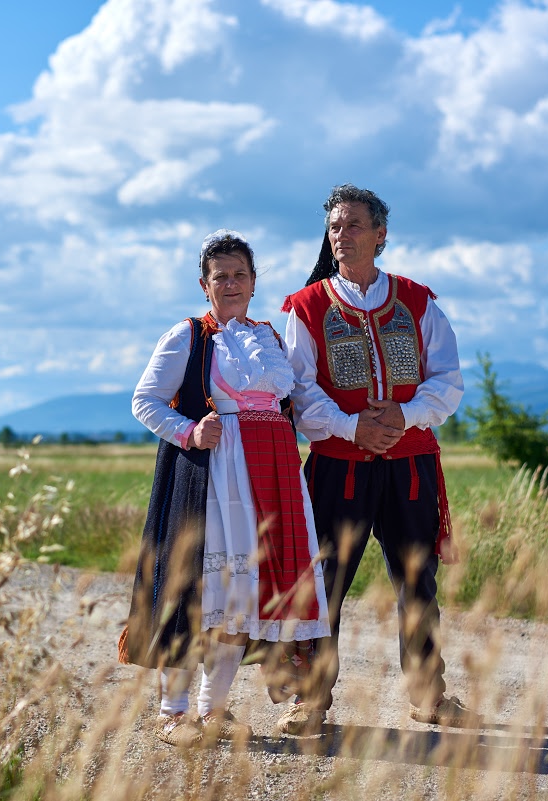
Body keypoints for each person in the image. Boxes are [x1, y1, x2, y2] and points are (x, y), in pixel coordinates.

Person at [122, 229, 331, 747]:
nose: (231, 283)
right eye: (221, 276)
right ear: (205, 284)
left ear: (254, 282)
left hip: (271, 479)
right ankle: (172, 711)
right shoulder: (189, 335)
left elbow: (297, 407)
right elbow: (145, 400)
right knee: (199, 590)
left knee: (243, 598)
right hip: (212, 480)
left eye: (240, 274)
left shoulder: (270, 338)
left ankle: (212, 710)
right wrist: (191, 431)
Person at [277, 184, 471, 735]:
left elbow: (448, 382)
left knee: (418, 584)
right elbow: (300, 390)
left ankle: (428, 695)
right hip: (338, 465)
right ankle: (309, 700)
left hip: (410, 466)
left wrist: (402, 417)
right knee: (324, 585)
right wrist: (352, 425)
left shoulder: (417, 300)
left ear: (381, 235)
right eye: (335, 227)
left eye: (354, 225)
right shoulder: (307, 306)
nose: (342, 236)